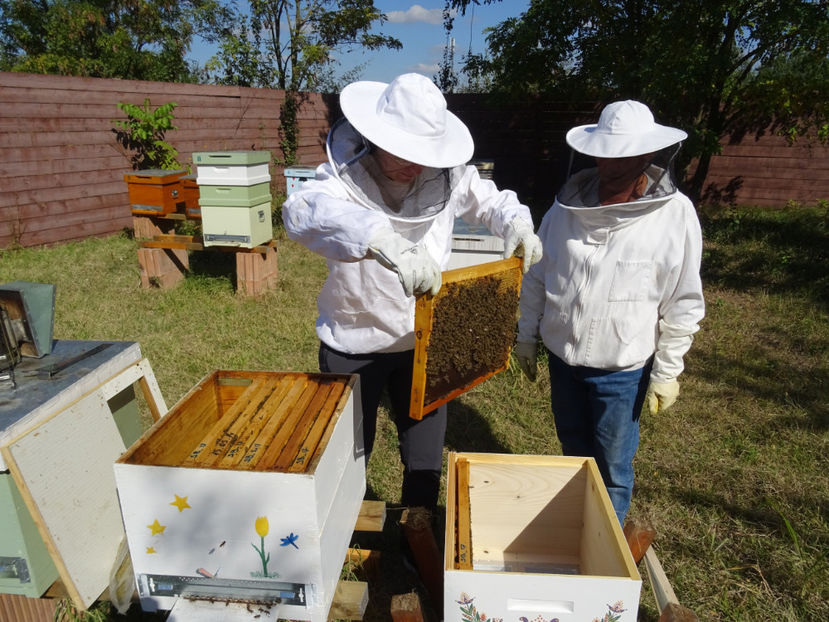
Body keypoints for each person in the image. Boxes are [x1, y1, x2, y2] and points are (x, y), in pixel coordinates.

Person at [282, 73, 542, 510]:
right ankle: (347, 534)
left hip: (423, 341)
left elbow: (491, 199)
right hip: (353, 341)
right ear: (374, 138)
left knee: (424, 458)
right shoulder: (339, 179)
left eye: (423, 154)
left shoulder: (448, 177)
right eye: (403, 152)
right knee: (347, 456)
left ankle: (415, 535)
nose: (414, 165)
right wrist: (381, 239)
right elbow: (301, 212)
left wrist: (516, 222)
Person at [514, 100, 705, 525]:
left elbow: (684, 299)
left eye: (625, 153)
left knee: (613, 469)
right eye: (607, 150)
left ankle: (605, 552)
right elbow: (538, 275)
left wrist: (668, 370)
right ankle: (581, 528)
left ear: (648, 154)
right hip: (563, 361)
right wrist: (527, 336)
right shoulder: (564, 210)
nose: (612, 161)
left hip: (622, 372)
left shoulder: (675, 216)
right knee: (575, 455)